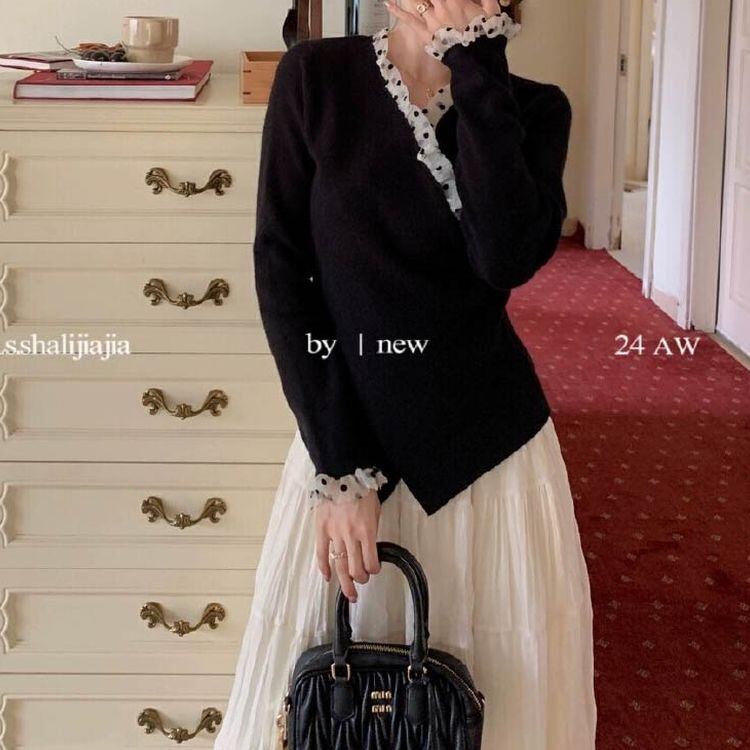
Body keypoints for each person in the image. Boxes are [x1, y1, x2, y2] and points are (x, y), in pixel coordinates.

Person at [213, 0, 597, 747]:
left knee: (498, 708)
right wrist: (341, 471)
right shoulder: (315, 78)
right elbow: (283, 276)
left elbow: (504, 255)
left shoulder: (535, 109)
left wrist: (477, 62)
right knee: (333, 708)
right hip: (345, 448)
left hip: (491, 460)